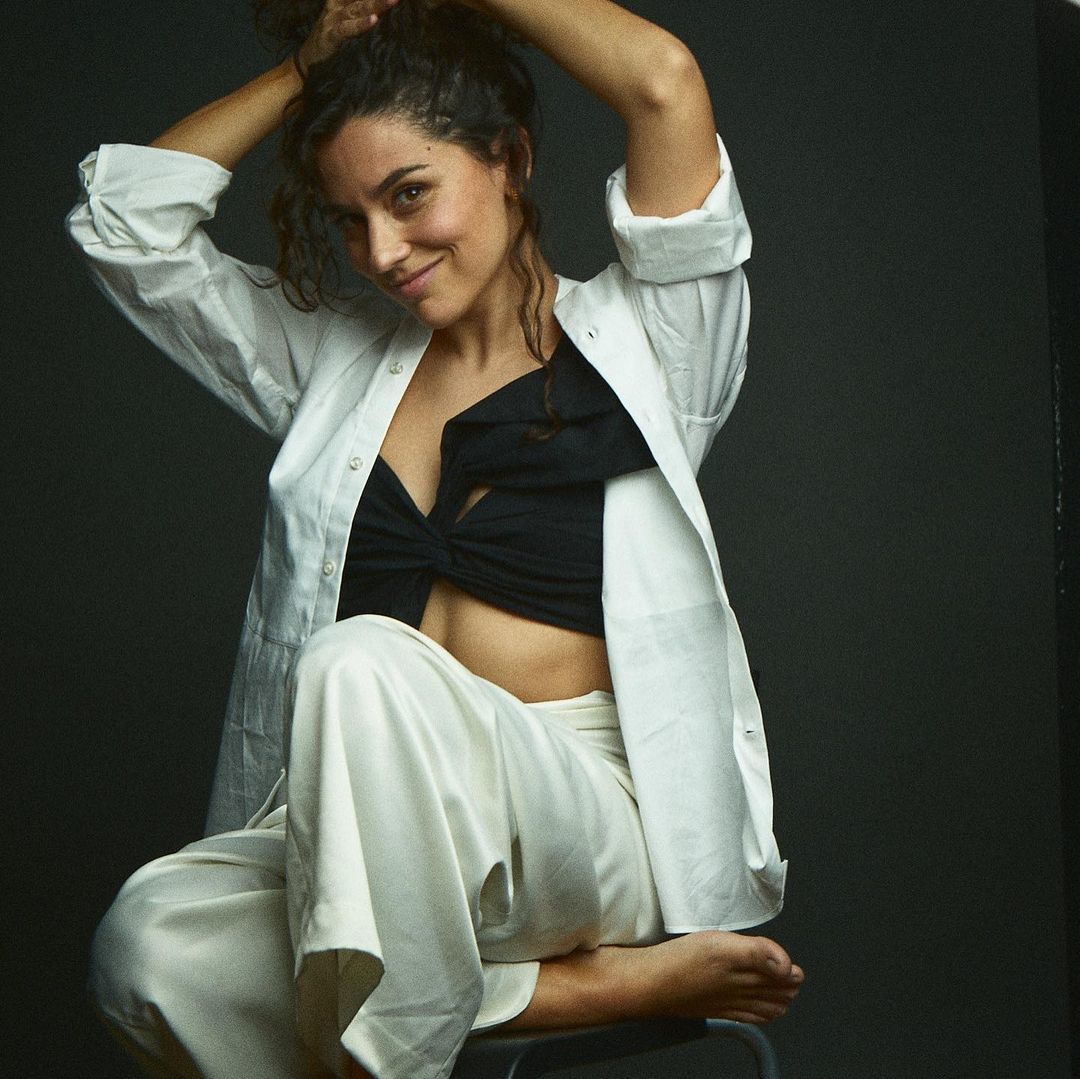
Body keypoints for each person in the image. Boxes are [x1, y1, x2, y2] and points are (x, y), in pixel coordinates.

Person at [67, 0, 803, 1075]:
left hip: (576, 816)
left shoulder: (653, 344)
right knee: (151, 946)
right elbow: (124, 223)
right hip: (366, 822)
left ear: (510, 159)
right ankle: (556, 992)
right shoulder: (335, 366)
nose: (383, 250)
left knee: (358, 659)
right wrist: (310, 66)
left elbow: (663, 81)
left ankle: (432, 1025)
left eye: (410, 194)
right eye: (349, 218)